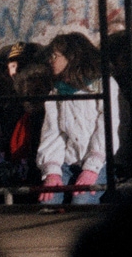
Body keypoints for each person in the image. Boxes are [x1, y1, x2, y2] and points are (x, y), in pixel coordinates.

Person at [37, 33, 107, 205]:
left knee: (82, 201)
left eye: (56, 56)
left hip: (102, 162)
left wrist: (92, 168)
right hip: (69, 163)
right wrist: (52, 172)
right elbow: (53, 132)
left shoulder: (102, 85)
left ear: (72, 57)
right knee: (48, 202)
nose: (51, 60)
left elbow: (108, 129)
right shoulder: (57, 91)